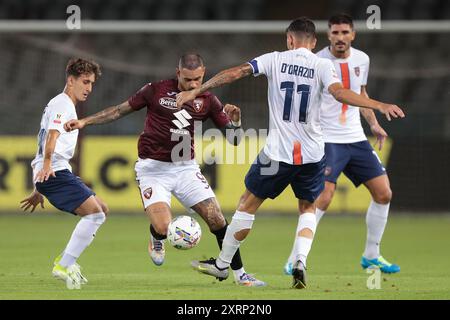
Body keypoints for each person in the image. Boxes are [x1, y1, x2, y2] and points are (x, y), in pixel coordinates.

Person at [176, 17, 404, 289]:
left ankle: (223, 264)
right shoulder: (323, 65)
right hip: (313, 154)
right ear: (315, 42)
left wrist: (198, 91)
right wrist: (378, 105)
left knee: (247, 203)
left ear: (289, 40)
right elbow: (341, 93)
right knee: (308, 207)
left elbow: (235, 73)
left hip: (277, 154)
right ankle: (300, 261)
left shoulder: (274, 59)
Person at [64, 53, 266, 287]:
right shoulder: (155, 91)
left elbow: (235, 140)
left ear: (204, 74)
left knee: (218, 220)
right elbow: (119, 110)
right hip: (153, 170)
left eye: (198, 79)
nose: (193, 84)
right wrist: (85, 121)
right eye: (188, 79)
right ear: (178, 73)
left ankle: (240, 275)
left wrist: (237, 123)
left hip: (186, 169)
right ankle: (156, 236)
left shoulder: (208, 100)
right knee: (163, 226)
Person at [284, 14, 400, 276]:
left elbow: (361, 95)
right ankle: (294, 259)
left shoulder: (362, 59)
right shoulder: (318, 61)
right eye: (335, 33)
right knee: (322, 198)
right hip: (327, 139)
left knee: (384, 193)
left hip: (356, 138)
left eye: (345, 32)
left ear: (353, 35)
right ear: (328, 36)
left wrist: (373, 124)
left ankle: (371, 255)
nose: (340, 37)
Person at [20, 58, 107, 290]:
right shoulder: (63, 104)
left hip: (54, 171)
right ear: (71, 80)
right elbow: (52, 136)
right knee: (96, 216)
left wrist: (38, 187)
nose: (89, 88)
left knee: (102, 209)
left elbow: (43, 143)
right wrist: (47, 165)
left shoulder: (62, 103)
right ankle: (64, 264)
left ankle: (68, 261)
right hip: (55, 171)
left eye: (92, 83)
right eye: (85, 82)